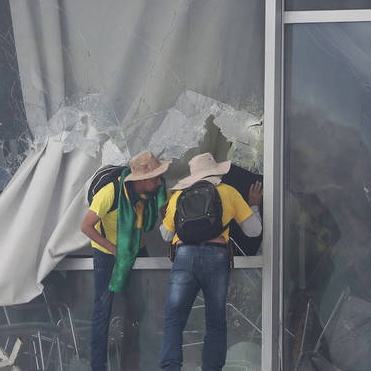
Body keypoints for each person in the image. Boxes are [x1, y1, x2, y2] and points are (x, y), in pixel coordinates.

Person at [158, 152, 262, 371]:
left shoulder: (178, 196)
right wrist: (253, 205)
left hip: (184, 257)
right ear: (217, 171)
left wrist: (166, 215)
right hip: (216, 256)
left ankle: (170, 367)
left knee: (174, 318)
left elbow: (166, 236)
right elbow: (254, 231)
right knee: (215, 321)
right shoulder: (228, 192)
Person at [80, 150, 170, 371]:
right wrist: (112, 248)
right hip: (107, 250)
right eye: (156, 178)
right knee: (103, 308)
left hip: (135, 248)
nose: (160, 182)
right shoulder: (110, 192)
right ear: (142, 179)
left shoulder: (150, 194)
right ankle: (98, 366)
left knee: (138, 309)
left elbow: (161, 217)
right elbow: (85, 226)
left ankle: (133, 364)